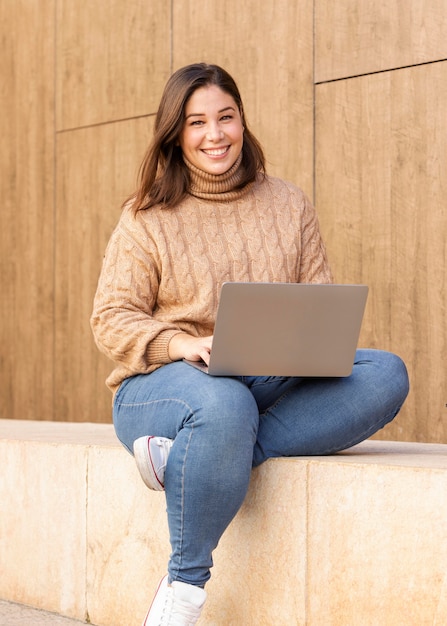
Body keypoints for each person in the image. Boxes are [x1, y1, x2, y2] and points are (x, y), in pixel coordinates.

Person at [90, 63, 409, 625]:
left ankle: (208, 453)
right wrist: (180, 343)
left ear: (242, 121)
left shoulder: (288, 203)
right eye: (197, 123)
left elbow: (318, 302)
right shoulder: (147, 218)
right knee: (224, 403)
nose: (215, 134)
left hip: (263, 376)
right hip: (163, 388)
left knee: (386, 373)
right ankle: (184, 589)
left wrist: (307, 344)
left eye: (226, 117)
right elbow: (110, 319)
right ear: (176, 134)